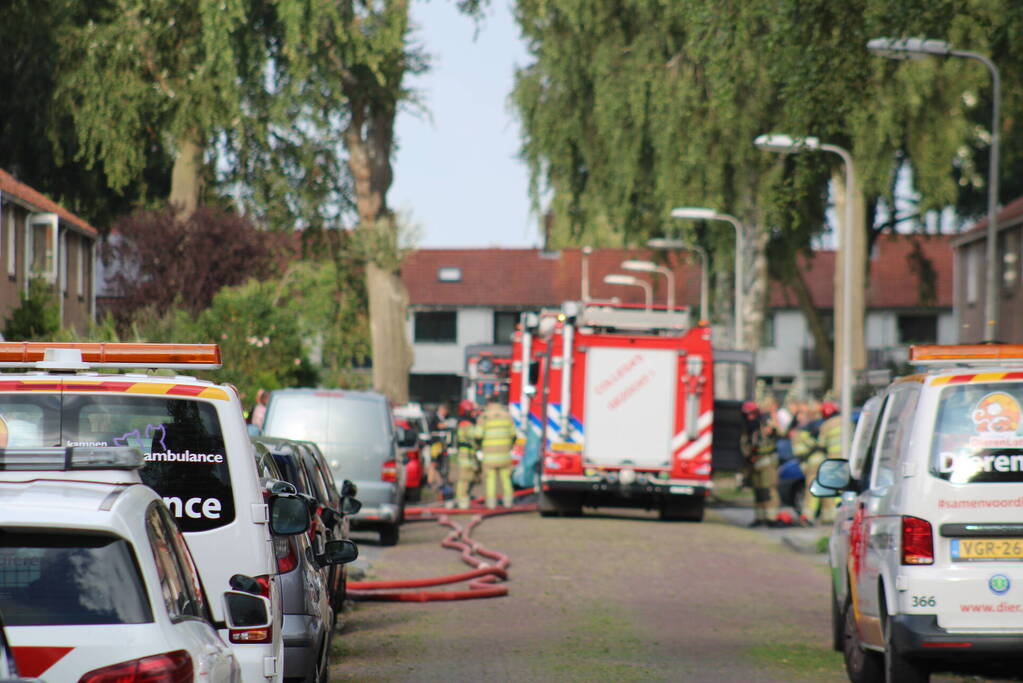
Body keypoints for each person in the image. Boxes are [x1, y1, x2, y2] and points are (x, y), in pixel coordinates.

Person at [475, 397, 516, 509]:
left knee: (490, 479)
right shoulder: (507, 416)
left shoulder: (484, 416)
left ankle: (491, 503)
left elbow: (478, 435)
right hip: (504, 455)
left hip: (489, 455)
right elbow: (513, 435)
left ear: (489, 404)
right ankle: (508, 502)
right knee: (506, 478)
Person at [748, 414, 781, 527]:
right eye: (766, 426)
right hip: (757, 469)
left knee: (770, 492)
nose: (767, 429)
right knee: (759, 493)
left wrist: (774, 428)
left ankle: (772, 518)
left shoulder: (774, 436)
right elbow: (750, 449)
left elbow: (781, 436)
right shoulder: (756, 435)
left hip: (769, 469)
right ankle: (760, 518)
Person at [815, 401, 843, 524]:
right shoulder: (846, 421)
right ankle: (842, 511)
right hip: (847, 458)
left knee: (832, 486)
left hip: (832, 459)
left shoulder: (826, 425)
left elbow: (821, 444)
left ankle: (831, 516)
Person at [450, 400, 479, 509]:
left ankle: (464, 499)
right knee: (464, 479)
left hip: (468, 455)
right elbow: (475, 435)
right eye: (471, 411)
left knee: (469, 478)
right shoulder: (465, 423)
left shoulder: (465, 422)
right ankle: (462, 503)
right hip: (465, 456)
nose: (473, 413)